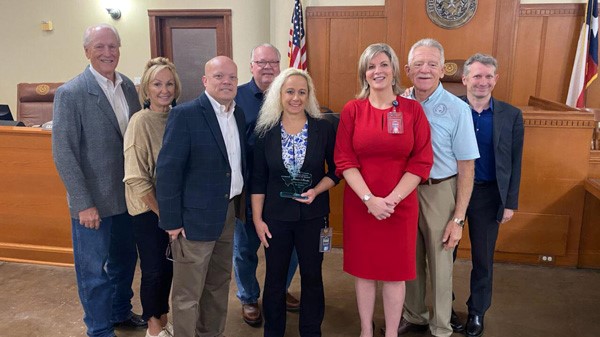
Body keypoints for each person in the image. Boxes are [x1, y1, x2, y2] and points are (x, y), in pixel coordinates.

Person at [52, 23, 146, 337]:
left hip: (126, 199)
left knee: (123, 263)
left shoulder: (129, 88)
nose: (108, 53)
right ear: (87, 51)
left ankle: (120, 312)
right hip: (93, 205)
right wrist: (83, 204)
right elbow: (64, 153)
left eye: (113, 47)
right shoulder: (71, 93)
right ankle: (99, 328)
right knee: (93, 272)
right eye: (100, 46)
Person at [334, 43, 433, 337]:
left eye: (383, 65)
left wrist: (390, 200)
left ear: (394, 71)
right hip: (361, 204)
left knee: (394, 273)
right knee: (364, 271)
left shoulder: (413, 110)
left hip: (399, 206)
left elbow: (422, 160)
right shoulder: (352, 110)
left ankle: (390, 332)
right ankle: (366, 330)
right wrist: (369, 200)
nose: (377, 71)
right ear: (364, 74)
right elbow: (344, 158)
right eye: (371, 66)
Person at [156, 55, 246, 337]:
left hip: (228, 213)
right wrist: (171, 222)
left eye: (232, 77)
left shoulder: (238, 114)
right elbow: (168, 172)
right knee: (187, 294)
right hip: (193, 220)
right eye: (219, 76)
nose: (227, 82)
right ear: (205, 81)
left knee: (219, 285)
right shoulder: (186, 114)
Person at [397, 38, 480, 337]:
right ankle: (414, 314)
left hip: (440, 190)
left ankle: (441, 327)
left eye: (432, 64)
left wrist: (457, 219)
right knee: (409, 259)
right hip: (404, 192)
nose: (425, 70)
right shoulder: (398, 104)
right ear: (407, 69)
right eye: (418, 64)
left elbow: (467, 166)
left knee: (441, 264)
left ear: (442, 69)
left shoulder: (458, 109)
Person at [252, 67, 339, 337]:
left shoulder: (323, 128)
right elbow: (258, 179)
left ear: (309, 95)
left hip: (313, 217)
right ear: (279, 94)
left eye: (302, 92)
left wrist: (317, 189)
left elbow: (336, 170)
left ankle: (311, 331)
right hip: (275, 218)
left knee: (312, 278)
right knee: (275, 280)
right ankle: (274, 331)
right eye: (290, 91)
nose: (296, 98)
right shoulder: (264, 131)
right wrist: (257, 219)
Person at [452, 53, 524, 337]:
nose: (482, 82)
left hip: (489, 195)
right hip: (452, 192)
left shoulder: (511, 115)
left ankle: (477, 312)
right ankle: (444, 306)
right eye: (477, 76)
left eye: (488, 76)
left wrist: (510, 203)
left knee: (483, 258)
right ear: (465, 79)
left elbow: (516, 162)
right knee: (446, 254)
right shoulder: (452, 108)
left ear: (496, 79)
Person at [234, 44, 301, 327]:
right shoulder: (235, 96)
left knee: (291, 247)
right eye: (260, 62)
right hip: (248, 188)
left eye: (272, 62)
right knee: (246, 248)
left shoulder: (290, 95)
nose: (267, 67)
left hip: (284, 189)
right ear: (251, 66)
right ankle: (249, 297)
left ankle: (279, 288)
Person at [123, 57, 182, 337]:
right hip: (148, 210)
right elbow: (135, 176)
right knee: (154, 269)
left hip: (173, 209)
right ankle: (153, 326)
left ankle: (164, 315)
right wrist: (164, 213)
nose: (164, 90)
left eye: (169, 84)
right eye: (157, 84)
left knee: (170, 267)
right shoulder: (140, 122)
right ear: (147, 89)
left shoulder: (178, 117)